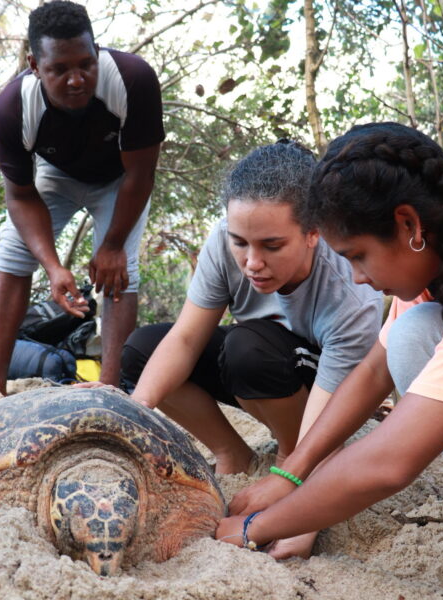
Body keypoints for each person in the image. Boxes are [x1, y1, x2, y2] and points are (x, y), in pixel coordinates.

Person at [217, 122, 443, 600]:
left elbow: (391, 462)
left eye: (358, 256)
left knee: (416, 339)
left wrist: (255, 525)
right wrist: (290, 473)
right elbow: (375, 369)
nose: (356, 279)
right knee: (413, 336)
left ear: (408, 225)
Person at [122, 140, 382, 554]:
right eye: (240, 242)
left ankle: (287, 453)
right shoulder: (225, 241)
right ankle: (232, 452)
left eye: (272, 246)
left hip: (315, 390)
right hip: (257, 366)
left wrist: (301, 516)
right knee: (140, 351)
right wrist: (129, 416)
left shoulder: (350, 293)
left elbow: (331, 427)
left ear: (313, 232)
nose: (252, 262)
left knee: (248, 348)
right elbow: (186, 339)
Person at [0, 0, 164, 403]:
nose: (76, 80)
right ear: (35, 65)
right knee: (12, 256)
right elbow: (21, 196)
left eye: (85, 64)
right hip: (55, 179)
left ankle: (110, 386)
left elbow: (141, 173)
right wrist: (54, 267)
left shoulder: (133, 79)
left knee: (121, 269)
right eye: (59, 69)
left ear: (97, 52)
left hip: (121, 181)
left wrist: (111, 246)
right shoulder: (13, 107)